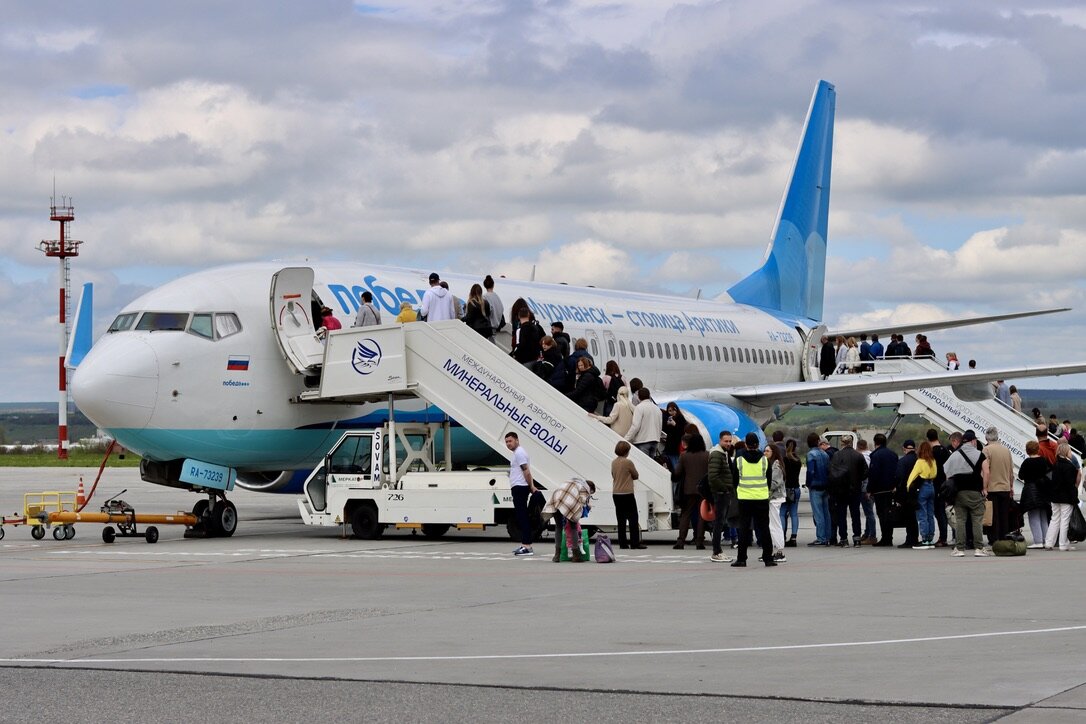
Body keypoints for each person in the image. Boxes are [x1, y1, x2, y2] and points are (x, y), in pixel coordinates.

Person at [732, 432, 775, 568]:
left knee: (744, 528)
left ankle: (741, 559)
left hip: (744, 498)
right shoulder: (764, 460)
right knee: (764, 528)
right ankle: (768, 558)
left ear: (746, 444)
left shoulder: (739, 460)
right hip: (761, 497)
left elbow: (734, 479)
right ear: (758, 444)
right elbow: (768, 480)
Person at [946, 430, 989, 557]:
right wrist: (985, 488)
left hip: (959, 492)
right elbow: (986, 472)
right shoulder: (980, 454)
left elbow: (947, 472)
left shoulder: (954, 454)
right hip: (975, 491)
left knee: (960, 520)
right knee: (977, 520)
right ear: (973, 441)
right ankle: (979, 548)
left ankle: (959, 548)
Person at [827, 433, 867, 546]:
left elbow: (832, 472)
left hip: (841, 489)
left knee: (841, 515)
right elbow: (865, 472)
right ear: (851, 442)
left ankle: (843, 538)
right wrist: (858, 479)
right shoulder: (858, 455)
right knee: (855, 514)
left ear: (842, 443)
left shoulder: (837, 455)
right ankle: (857, 538)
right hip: (855, 489)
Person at [542, 477, 596, 562]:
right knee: (573, 527)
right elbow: (581, 503)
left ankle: (557, 555)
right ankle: (575, 555)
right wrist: (586, 508)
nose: (590, 494)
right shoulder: (585, 488)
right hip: (569, 503)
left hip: (556, 499)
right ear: (591, 488)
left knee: (558, 527)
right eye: (591, 493)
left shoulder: (573, 481)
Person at [672, 432, 709, 549]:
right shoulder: (707, 455)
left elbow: (677, 472)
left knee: (685, 515)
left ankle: (680, 541)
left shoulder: (684, 456)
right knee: (701, 515)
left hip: (688, 489)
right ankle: (699, 541)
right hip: (703, 490)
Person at [504, 432, 537, 557]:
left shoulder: (519, 453)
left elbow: (526, 471)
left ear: (517, 440)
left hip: (520, 487)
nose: (508, 444)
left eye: (510, 441)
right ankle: (524, 544)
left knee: (523, 517)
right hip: (519, 487)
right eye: (507, 442)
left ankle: (527, 546)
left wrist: (531, 486)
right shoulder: (517, 453)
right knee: (521, 516)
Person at [1044, 442, 1081, 551]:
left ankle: (1049, 542)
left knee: (1054, 519)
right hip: (1066, 497)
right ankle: (1063, 544)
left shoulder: (1056, 464)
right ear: (1066, 451)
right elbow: (1070, 484)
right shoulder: (1069, 466)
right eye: (1069, 450)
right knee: (1065, 520)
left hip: (1055, 496)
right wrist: (1074, 497)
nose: (1071, 452)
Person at [981, 426, 1014, 544]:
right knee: (1004, 515)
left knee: (992, 516)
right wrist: (1011, 486)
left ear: (986, 438)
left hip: (992, 488)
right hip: (1005, 487)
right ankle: (1003, 537)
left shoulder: (986, 450)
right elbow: (1011, 471)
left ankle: (994, 539)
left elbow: (986, 471)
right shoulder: (1006, 450)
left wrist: (984, 487)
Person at [708, 431, 736, 562]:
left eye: (730, 441)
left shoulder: (723, 453)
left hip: (723, 492)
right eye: (726, 441)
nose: (728, 444)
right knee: (718, 523)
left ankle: (718, 550)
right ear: (720, 440)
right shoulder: (716, 454)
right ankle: (716, 551)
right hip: (720, 493)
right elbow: (713, 476)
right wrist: (724, 488)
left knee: (720, 522)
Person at [1018, 440, 1052, 548]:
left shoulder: (1027, 462)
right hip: (1043, 490)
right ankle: (1046, 540)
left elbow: (1021, 476)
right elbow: (1049, 474)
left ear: (1027, 451)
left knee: (1033, 516)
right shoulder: (1044, 460)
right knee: (1043, 516)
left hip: (1031, 490)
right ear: (1038, 449)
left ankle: (1038, 541)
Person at [610, 441, 644, 550]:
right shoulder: (628, 462)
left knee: (621, 519)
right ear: (626, 451)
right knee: (633, 518)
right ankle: (635, 543)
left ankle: (623, 543)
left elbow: (613, 475)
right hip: (627, 493)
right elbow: (636, 475)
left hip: (616, 493)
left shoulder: (613, 462)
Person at [868, 433, 899, 546]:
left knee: (882, 514)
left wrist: (869, 489)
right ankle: (888, 537)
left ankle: (885, 538)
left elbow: (873, 474)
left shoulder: (875, 456)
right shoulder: (893, 454)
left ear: (875, 442)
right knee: (889, 513)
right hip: (891, 489)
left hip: (879, 490)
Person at [906, 441, 938, 549]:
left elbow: (913, 476)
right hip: (931, 486)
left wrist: (908, 487)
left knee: (922, 514)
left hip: (923, 487)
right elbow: (935, 473)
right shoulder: (933, 461)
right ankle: (930, 538)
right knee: (930, 514)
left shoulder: (920, 461)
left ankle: (924, 539)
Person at [805, 433, 831, 546]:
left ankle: (821, 537)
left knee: (818, 514)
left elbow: (810, 471)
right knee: (826, 513)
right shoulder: (825, 454)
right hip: (825, 485)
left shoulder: (811, 454)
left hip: (815, 486)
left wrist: (808, 483)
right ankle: (828, 536)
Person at [894, 440, 920, 548]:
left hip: (906, 492)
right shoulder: (919, 460)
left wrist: (898, 495)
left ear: (904, 449)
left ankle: (910, 540)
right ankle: (915, 538)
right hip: (918, 491)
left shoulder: (902, 461)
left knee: (908, 517)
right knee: (914, 517)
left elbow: (899, 478)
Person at [765, 443, 788, 562]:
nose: (765, 453)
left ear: (773, 453)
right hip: (773, 497)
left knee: (774, 524)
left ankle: (779, 550)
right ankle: (772, 550)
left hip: (774, 498)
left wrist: (764, 489)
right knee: (772, 524)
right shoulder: (771, 464)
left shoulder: (776, 465)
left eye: (767, 451)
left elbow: (774, 483)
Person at [625, 388, 662, 457]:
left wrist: (626, 439)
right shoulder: (657, 409)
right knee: (650, 463)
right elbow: (659, 426)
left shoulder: (639, 407)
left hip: (642, 441)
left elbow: (635, 426)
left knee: (641, 462)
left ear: (638, 397)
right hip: (655, 441)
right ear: (649, 396)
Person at [780, 439, 802, 547]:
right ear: (795, 447)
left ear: (786, 447)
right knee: (794, 514)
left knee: (782, 513)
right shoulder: (798, 460)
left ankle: (781, 537)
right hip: (796, 488)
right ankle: (794, 537)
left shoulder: (784, 460)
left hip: (786, 488)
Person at [662, 402, 688, 471]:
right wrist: (667, 424)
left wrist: (675, 425)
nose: (672, 412)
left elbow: (682, 433)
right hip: (669, 447)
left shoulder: (681, 418)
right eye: (670, 411)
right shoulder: (669, 418)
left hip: (676, 448)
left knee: (675, 467)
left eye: (673, 410)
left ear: (676, 410)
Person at [482, 274, 505, 342]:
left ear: (484, 285)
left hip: (489, 328)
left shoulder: (485, 297)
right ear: (493, 285)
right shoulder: (496, 297)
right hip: (496, 326)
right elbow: (502, 308)